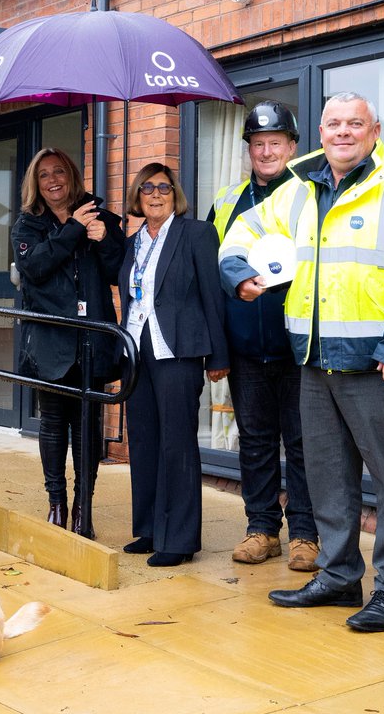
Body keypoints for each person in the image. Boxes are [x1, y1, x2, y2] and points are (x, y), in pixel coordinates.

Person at [220, 92, 384, 632]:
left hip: (378, 364)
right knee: (328, 479)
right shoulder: (299, 190)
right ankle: (338, 574)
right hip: (312, 361)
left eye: (355, 123)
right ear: (321, 133)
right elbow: (242, 232)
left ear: (374, 131)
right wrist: (238, 271)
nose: (343, 131)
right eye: (334, 123)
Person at [207, 102, 319, 571]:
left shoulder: (312, 197)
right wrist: (218, 347)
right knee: (254, 440)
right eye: (258, 143)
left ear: (293, 147)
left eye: (276, 142)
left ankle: (306, 536)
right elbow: (212, 278)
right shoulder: (228, 203)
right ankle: (261, 529)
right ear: (248, 150)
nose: (267, 150)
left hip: (299, 347)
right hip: (246, 349)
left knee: (302, 442)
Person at [119, 163, 228, 567]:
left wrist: (219, 354)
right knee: (144, 440)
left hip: (178, 350)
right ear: (137, 195)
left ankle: (179, 540)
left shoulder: (196, 233)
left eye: (164, 187)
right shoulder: (133, 243)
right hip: (137, 350)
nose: (156, 194)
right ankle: (149, 529)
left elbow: (213, 296)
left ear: (175, 193)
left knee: (177, 443)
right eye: (147, 187)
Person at [11, 147, 124, 538]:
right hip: (50, 342)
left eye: (60, 171)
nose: (53, 180)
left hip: (93, 340)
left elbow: (118, 273)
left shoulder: (102, 218)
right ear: (35, 184)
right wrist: (73, 229)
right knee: (54, 423)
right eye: (44, 175)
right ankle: (56, 504)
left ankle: (84, 508)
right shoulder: (27, 225)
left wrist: (105, 238)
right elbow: (35, 269)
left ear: (72, 175)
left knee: (88, 426)